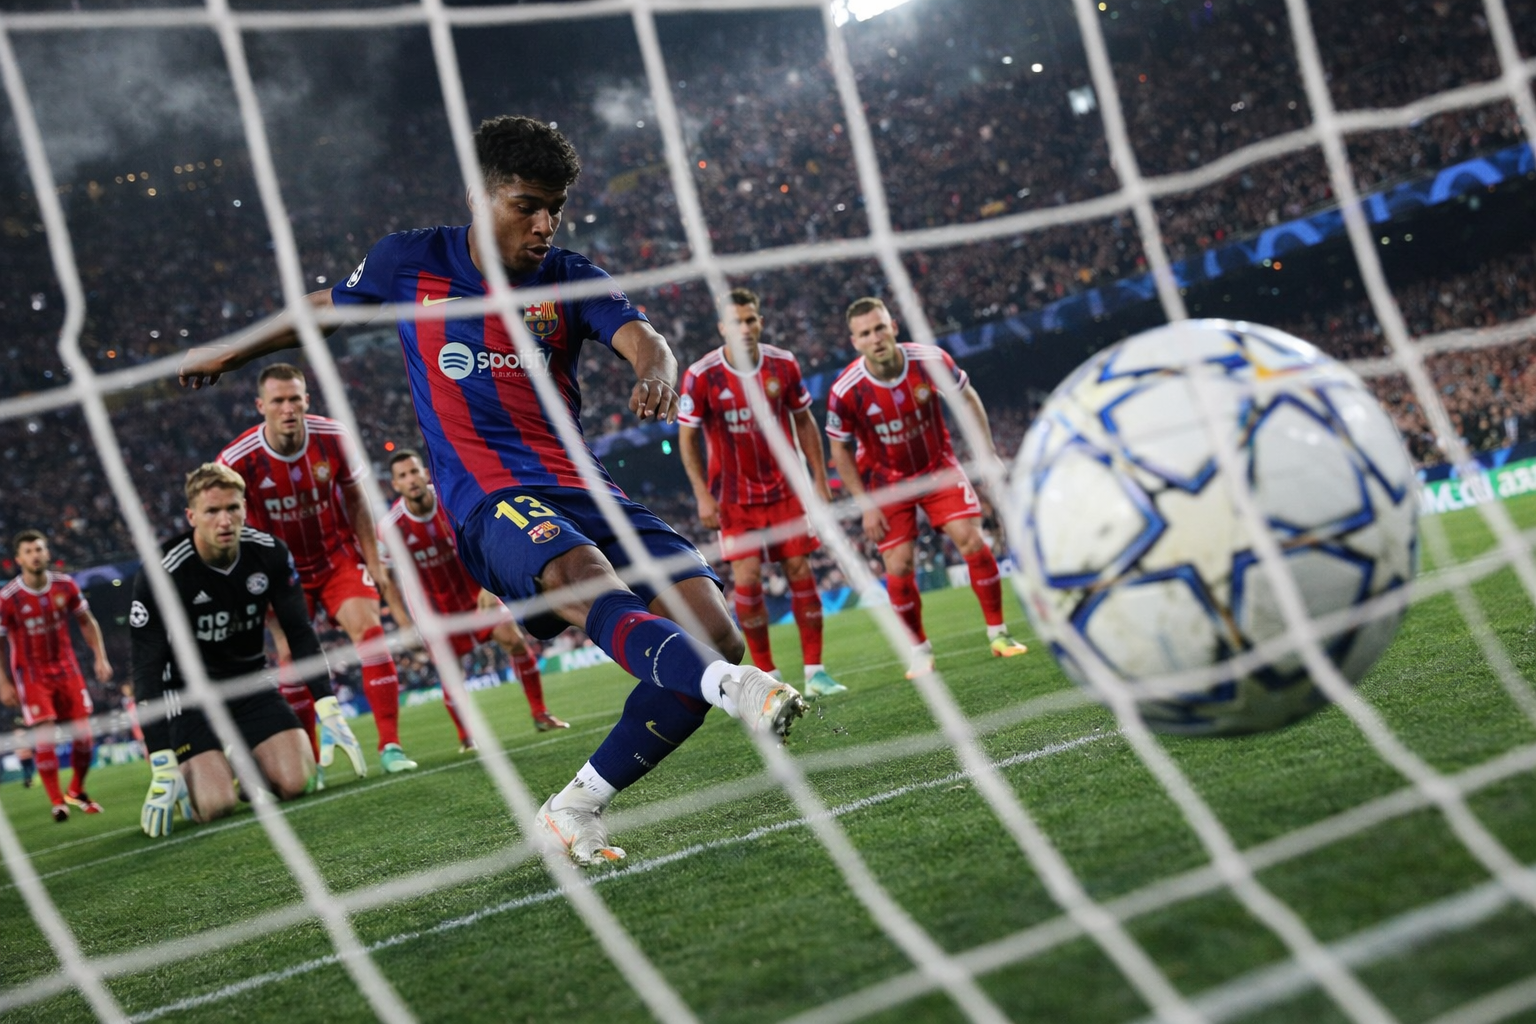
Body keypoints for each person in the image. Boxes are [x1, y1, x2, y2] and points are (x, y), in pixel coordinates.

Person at [177, 115, 803, 866]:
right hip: (488, 497)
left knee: (716, 638)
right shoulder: (411, 262)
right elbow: (323, 310)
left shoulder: (569, 276)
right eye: (527, 206)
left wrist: (655, 371)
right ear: (482, 195)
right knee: (590, 582)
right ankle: (733, 689)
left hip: (586, 490)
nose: (544, 225)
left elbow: (643, 338)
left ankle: (577, 807)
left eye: (556, 210)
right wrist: (231, 351)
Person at [132, 463, 364, 836]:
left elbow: (299, 631)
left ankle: (244, 762)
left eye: (232, 508)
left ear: (245, 508)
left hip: (250, 684)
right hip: (189, 696)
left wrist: (327, 705)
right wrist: (161, 759)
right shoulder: (163, 571)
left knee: (298, 782)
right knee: (216, 806)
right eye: (212, 511)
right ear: (192, 516)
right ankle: (199, 774)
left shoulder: (269, 554)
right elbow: (145, 666)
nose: (224, 520)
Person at [217, 364, 418, 775]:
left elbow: (357, 501)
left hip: (335, 556)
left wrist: (373, 561)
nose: (288, 408)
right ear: (261, 406)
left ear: (307, 400)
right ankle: (308, 761)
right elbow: (225, 524)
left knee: (372, 634)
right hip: (279, 572)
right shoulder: (236, 460)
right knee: (292, 659)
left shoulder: (333, 437)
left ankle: (390, 747)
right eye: (278, 401)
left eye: (295, 398)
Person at [826, 297, 1029, 679]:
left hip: (937, 467)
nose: (876, 338)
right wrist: (865, 504)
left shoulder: (928, 360)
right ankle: (919, 652)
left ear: (893, 327)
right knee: (898, 565)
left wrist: (986, 454)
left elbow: (967, 398)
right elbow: (839, 448)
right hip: (886, 483)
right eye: (865, 333)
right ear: (855, 342)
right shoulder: (845, 390)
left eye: (880, 328)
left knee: (972, 539)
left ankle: (999, 634)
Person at [679, 288, 846, 698]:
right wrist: (702, 494)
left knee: (800, 572)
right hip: (735, 499)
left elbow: (804, 421)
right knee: (748, 581)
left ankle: (816, 672)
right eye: (736, 321)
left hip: (785, 490)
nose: (745, 328)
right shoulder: (702, 375)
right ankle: (767, 678)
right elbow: (688, 438)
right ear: (723, 328)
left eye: (750, 320)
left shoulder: (783, 364)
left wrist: (820, 481)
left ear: (760, 322)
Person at [382, 449, 570, 747]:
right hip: (436, 612)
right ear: (395, 485)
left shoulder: (449, 501)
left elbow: (484, 542)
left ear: (426, 473)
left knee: (514, 641)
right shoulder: (390, 526)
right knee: (451, 673)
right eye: (403, 476)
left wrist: (487, 586)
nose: (412, 480)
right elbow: (388, 580)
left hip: (475, 594)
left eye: (415, 471)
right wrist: (404, 623)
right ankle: (467, 738)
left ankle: (540, 713)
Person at [0, 530, 113, 822]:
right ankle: (56, 801)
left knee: (85, 738)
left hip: (67, 669)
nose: (35, 555)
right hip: (32, 675)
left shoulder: (65, 585)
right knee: (46, 736)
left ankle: (76, 789)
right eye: (28, 551)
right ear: (18, 559)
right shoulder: (8, 597)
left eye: (39, 549)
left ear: (47, 552)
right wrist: (3, 682)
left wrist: (100, 657)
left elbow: (87, 622)